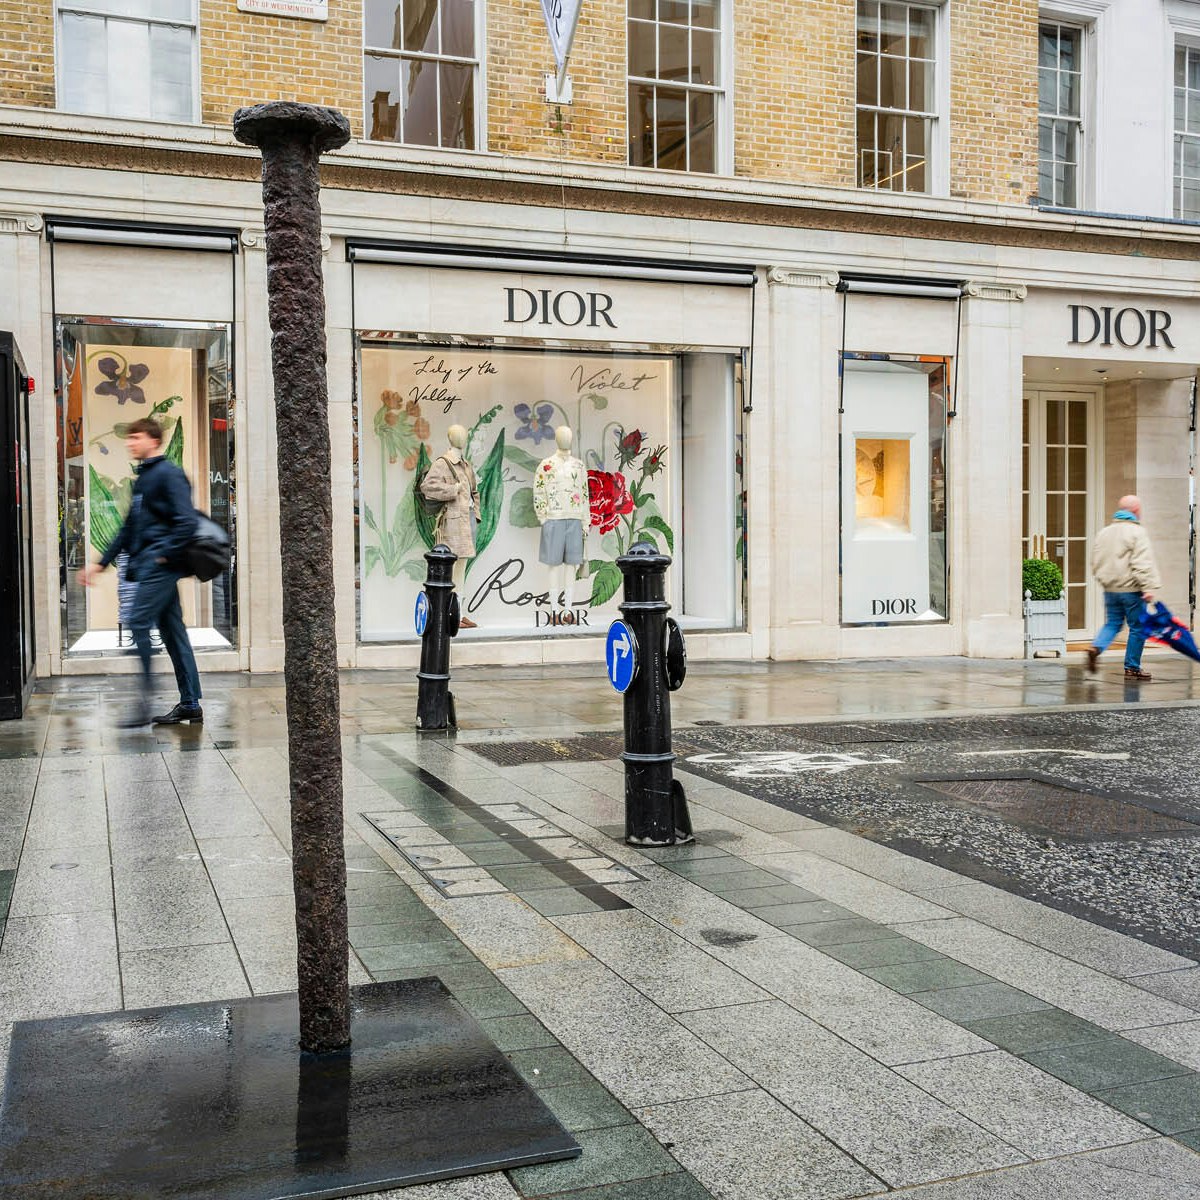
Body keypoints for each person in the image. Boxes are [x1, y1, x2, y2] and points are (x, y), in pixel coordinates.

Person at [78, 417, 203, 726]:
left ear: (154, 441)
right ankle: (190, 703)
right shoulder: (145, 478)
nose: (130, 443)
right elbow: (128, 528)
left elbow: (187, 521)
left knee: (136, 621)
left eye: (136, 437)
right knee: (174, 634)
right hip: (153, 565)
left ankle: (145, 701)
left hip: (160, 567)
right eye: (129, 438)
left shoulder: (168, 474)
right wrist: (100, 562)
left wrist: (162, 556)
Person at [1086, 493, 1162, 682]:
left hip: (1110, 589)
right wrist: (1147, 587)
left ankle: (1096, 647)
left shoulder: (1104, 532)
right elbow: (1141, 563)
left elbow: (1095, 560)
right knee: (1138, 627)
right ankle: (1132, 667)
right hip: (1131, 589)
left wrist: (1104, 580)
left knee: (1112, 623)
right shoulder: (1137, 532)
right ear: (1136, 511)